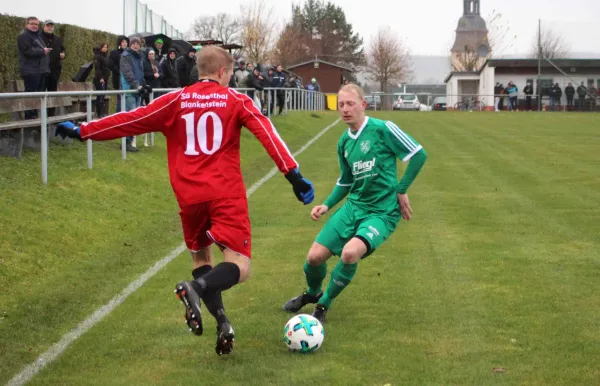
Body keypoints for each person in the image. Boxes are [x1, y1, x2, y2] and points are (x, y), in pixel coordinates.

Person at [54, 45, 315, 356]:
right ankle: (196, 289)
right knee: (240, 266)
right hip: (224, 194)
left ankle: (222, 322)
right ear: (222, 72)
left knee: (201, 260)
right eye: (230, 74)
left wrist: (83, 130)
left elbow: (130, 119)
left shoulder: (175, 100)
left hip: (189, 197)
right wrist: (293, 175)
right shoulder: (235, 100)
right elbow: (267, 133)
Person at [282, 84, 427, 323]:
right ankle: (312, 293)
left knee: (349, 254)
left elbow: (419, 154)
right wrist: (326, 205)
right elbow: (346, 181)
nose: (345, 109)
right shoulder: (343, 142)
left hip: (382, 212)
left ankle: (323, 304)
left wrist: (401, 190)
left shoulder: (382, 129)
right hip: (353, 208)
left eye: (350, 103)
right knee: (314, 258)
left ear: (363, 104)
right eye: (341, 105)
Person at [92, 43, 111, 118]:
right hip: (100, 79)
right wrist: (101, 78)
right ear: (101, 48)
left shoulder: (106, 56)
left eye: (106, 47)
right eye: (104, 47)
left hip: (105, 78)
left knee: (103, 96)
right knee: (100, 96)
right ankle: (99, 113)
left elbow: (107, 68)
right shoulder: (97, 56)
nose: (105, 48)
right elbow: (97, 68)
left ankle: (101, 113)